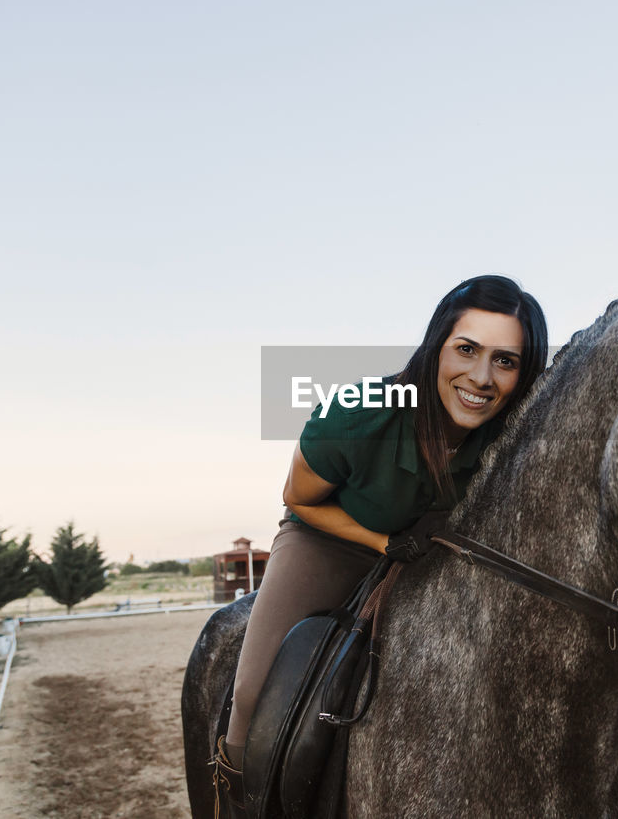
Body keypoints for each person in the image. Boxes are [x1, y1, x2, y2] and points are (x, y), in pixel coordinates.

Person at [213, 274, 548, 817]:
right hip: (331, 537)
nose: (481, 378)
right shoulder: (357, 411)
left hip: (435, 552)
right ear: (435, 346)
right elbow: (298, 498)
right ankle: (235, 801)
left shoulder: (515, 425)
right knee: (251, 697)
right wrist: (384, 540)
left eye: (505, 361)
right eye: (466, 350)